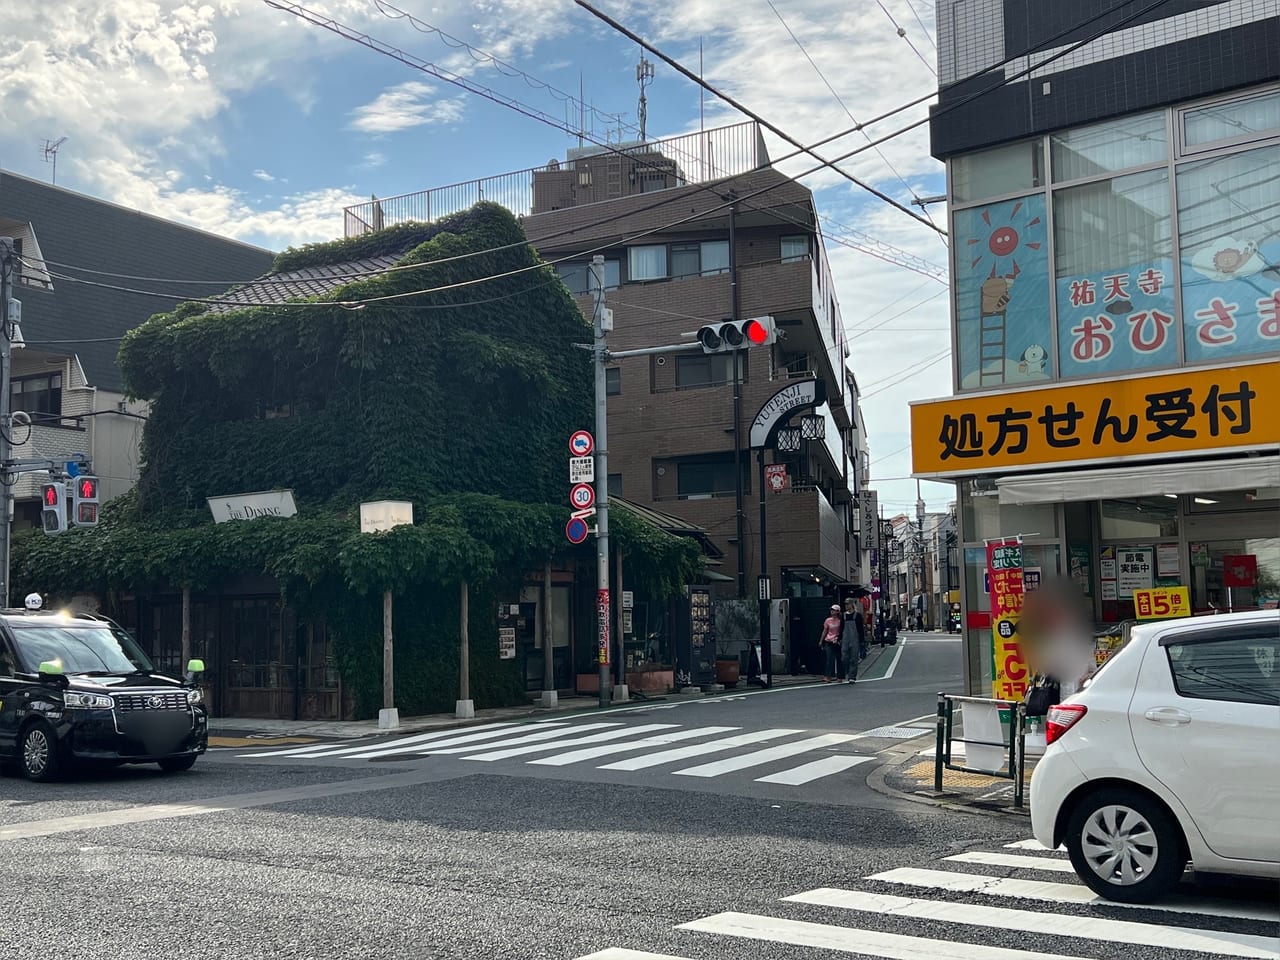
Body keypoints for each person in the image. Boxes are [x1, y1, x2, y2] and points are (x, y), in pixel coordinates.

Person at [842, 605, 865, 683]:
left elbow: (861, 629)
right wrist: (839, 638)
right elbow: (841, 628)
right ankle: (847, 671)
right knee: (844, 657)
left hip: (855, 639)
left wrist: (862, 641)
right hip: (845, 639)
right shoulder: (843, 615)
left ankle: (852, 676)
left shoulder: (857, 616)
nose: (846, 606)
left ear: (851, 605)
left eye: (847, 604)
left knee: (854, 658)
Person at [819, 604, 843, 682]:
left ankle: (840, 676)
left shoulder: (841, 621)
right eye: (831, 610)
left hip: (838, 641)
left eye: (834, 610)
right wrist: (821, 640)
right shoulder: (828, 620)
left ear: (837, 611)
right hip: (828, 641)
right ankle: (827, 676)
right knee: (829, 659)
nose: (832, 611)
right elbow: (825, 631)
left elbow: (842, 631)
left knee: (839, 659)